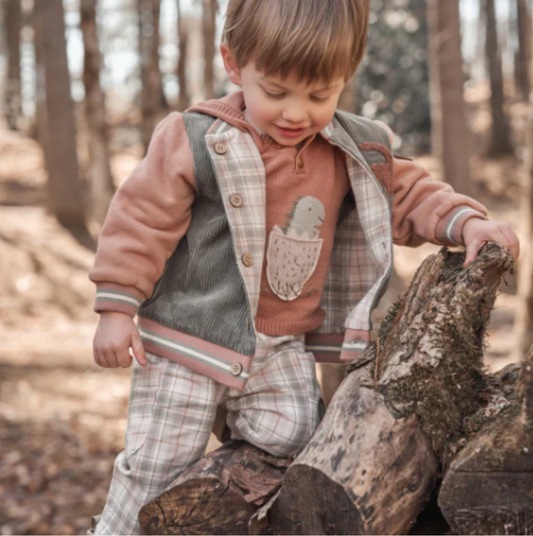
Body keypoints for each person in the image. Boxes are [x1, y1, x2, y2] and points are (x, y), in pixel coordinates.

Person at [87, 0, 520, 533]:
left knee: (296, 444)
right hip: (186, 345)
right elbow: (141, 219)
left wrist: (464, 222)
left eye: (320, 95)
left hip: (282, 348)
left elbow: (408, 193)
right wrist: (116, 305)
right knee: (156, 465)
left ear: (345, 78)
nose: (297, 113)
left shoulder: (353, 148)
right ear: (233, 63)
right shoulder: (197, 138)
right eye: (275, 92)